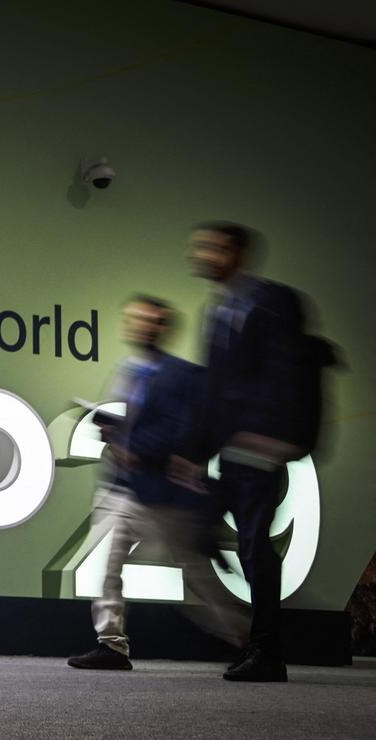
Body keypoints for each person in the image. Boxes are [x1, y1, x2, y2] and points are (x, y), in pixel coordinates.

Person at [67, 296, 249, 671]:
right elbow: (140, 424)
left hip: (162, 493)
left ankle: (248, 640)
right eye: (134, 319)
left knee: (195, 575)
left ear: (164, 328)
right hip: (121, 486)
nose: (140, 326)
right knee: (107, 565)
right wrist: (114, 432)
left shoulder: (183, 374)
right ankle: (112, 645)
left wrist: (142, 452)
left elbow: (187, 429)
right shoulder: (128, 371)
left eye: (149, 320)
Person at [170, 222, 306, 682]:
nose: (202, 254)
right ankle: (254, 639)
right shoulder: (217, 311)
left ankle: (267, 652)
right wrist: (192, 452)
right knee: (202, 532)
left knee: (253, 547)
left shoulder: (276, 301)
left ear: (237, 252)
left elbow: (288, 372)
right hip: (230, 450)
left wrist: (277, 435)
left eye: (211, 247)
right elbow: (215, 389)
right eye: (200, 246)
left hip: (262, 446)